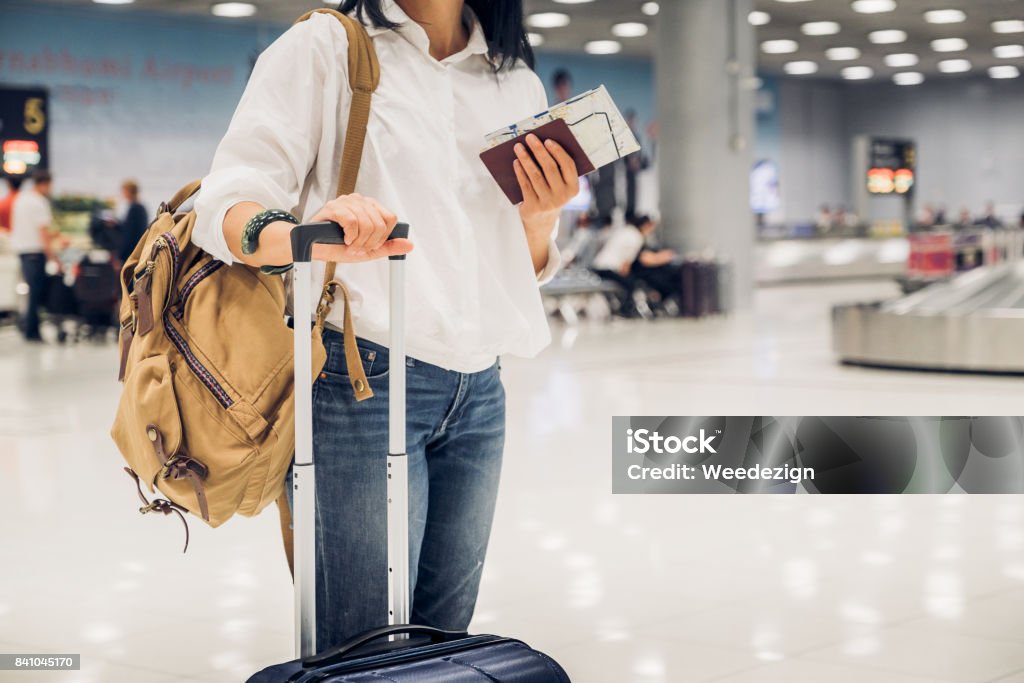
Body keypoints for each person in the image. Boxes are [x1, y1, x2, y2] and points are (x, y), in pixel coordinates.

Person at [192, 0, 578, 652]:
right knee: (361, 646)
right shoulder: (326, 48)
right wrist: (310, 236)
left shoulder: (514, 79)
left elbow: (522, 263)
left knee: (443, 643)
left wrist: (541, 218)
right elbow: (227, 201)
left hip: (480, 390)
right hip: (360, 379)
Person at [10, 169, 57, 342]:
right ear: (44, 184)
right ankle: (32, 332)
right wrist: (53, 257)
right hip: (35, 253)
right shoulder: (38, 202)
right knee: (36, 294)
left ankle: (29, 328)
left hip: (23, 253)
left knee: (32, 293)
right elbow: (43, 232)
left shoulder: (21, 199)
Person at [629, 215, 681, 305]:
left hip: (647, 271)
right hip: (642, 273)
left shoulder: (643, 238)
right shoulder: (636, 238)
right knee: (669, 280)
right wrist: (662, 258)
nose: (652, 229)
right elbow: (644, 259)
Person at [622, 109, 648, 222]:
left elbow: (640, 156)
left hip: (634, 174)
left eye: (633, 121)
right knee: (626, 197)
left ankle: (632, 216)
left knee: (635, 196)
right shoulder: (622, 137)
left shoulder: (637, 137)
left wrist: (637, 163)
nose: (631, 123)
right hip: (624, 174)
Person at [118, 179, 149, 261]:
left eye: (123, 191)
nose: (122, 194)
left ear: (129, 192)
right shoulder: (140, 207)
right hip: (139, 250)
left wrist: (120, 256)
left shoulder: (134, 209)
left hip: (133, 253)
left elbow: (129, 235)